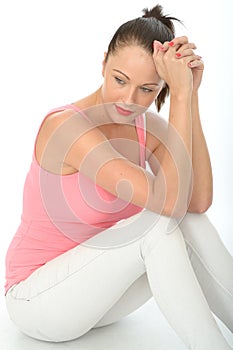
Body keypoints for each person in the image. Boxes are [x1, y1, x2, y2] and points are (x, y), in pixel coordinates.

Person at [4, 4, 233, 349]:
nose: (128, 100)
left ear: (161, 88)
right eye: (119, 80)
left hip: (99, 300)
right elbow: (169, 203)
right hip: (36, 302)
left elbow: (197, 201)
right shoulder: (67, 127)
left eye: (147, 89)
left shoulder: (144, 128)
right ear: (103, 64)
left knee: (187, 219)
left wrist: (190, 95)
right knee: (158, 223)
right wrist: (180, 94)